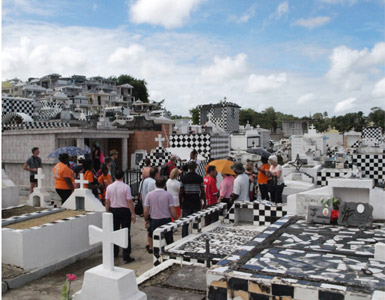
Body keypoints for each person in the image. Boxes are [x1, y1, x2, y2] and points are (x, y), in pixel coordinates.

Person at [105, 170, 136, 263]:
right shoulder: (126, 187)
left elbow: (107, 201)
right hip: (124, 210)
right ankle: (126, 254)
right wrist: (133, 213)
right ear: (123, 176)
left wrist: (107, 212)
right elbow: (129, 201)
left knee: (114, 231)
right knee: (126, 232)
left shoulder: (109, 187)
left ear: (114, 176)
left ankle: (115, 251)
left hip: (114, 210)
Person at [144, 178, 177, 252]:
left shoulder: (149, 195)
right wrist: (175, 218)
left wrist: (146, 219)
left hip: (154, 219)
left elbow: (146, 210)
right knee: (169, 239)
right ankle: (170, 253)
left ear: (155, 185)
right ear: (165, 185)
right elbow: (172, 209)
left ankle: (156, 253)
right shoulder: (168, 195)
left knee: (155, 237)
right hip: (166, 219)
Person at [179, 161, 205, 238]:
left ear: (188, 167)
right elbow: (202, 191)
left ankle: (184, 239)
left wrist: (180, 202)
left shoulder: (183, 178)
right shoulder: (200, 178)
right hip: (196, 202)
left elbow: (181, 192)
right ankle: (196, 237)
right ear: (196, 167)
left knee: (185, 224)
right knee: (196, 222)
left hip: (186, 203)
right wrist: (205, 202)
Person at [140, 167, 158, 253]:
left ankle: (148, 243)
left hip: (145, 206)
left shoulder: (144, 181)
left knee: (148, 225)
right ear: (156, 174)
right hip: (151, 208)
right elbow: (153, 196)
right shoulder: (153, 183)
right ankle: (151, 245)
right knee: (152, 228)